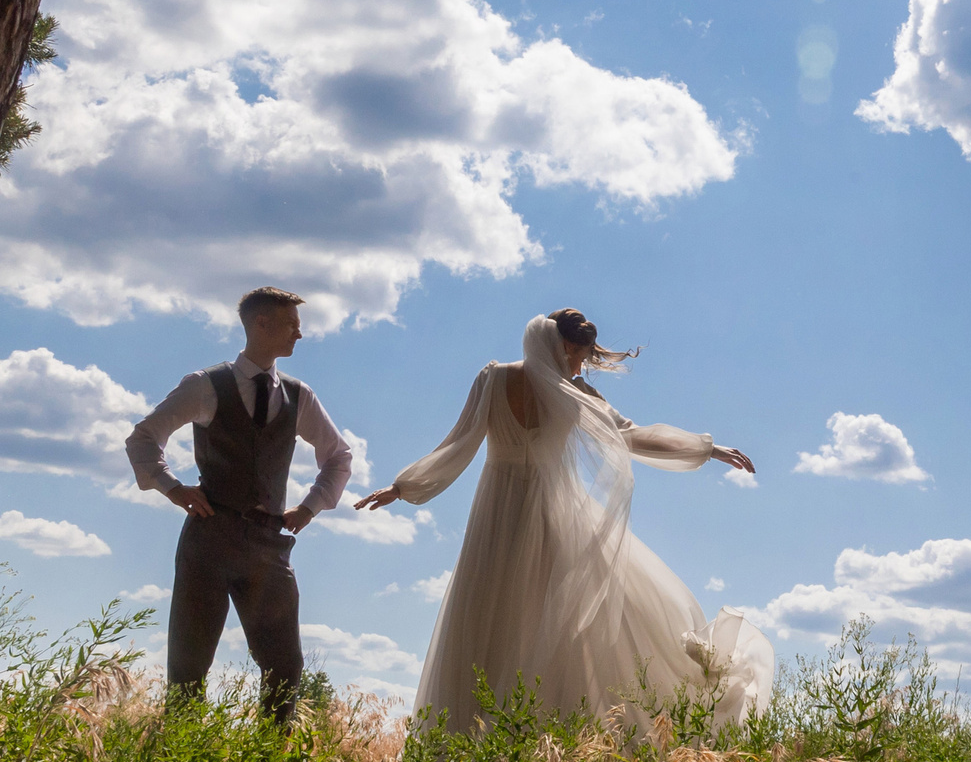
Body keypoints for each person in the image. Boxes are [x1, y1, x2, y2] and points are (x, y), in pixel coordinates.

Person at [358, 308, 775, 732]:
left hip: (520, 512)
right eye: (579, 356)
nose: (580, 366)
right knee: (495, 618)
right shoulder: (513, 381)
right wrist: (405, 486)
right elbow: (460, 441)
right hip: (526, 514)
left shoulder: (556, 389)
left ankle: (549, 737)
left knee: (554, 623)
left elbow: (627, 435)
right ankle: (485, 742)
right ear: (562, 345)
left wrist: (704, 448)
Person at [125, 285, 355, 720]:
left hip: (268, 545)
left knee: (285, 666)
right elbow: (143, 437)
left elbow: (339, 455)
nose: (299, 336)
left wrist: (309, 507)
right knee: (188, 668)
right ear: (260, 324)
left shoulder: (298, 394)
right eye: (292, 325)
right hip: (209, 540)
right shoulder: (205, 385)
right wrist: (172, 487)